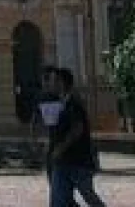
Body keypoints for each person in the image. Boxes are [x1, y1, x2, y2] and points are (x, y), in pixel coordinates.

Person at [43, 67, 105, 207]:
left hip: (77, 161)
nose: (49, 84)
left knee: (88, 196)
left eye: (52, 80)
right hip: (62, 162)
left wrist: (61, 147)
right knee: (59, 201)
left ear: (61, 83)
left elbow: (77, 129)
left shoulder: (74, 103)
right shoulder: (61, 103)